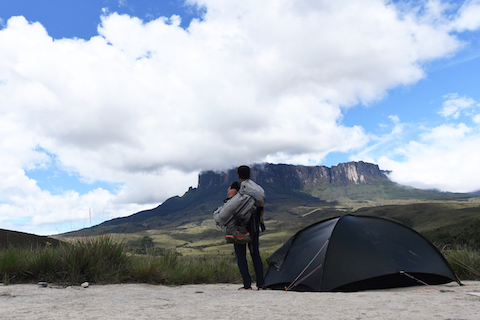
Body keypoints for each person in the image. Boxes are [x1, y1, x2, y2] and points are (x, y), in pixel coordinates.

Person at [234, 165, 265, 291]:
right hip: (254, 226)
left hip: (241, 226)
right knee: (255, 254)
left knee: (241, 255)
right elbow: (262, 207)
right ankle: (261, 285)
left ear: (238, 175)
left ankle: (247, 285)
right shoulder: (256, 190)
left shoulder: (240, 189)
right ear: (250, 175)